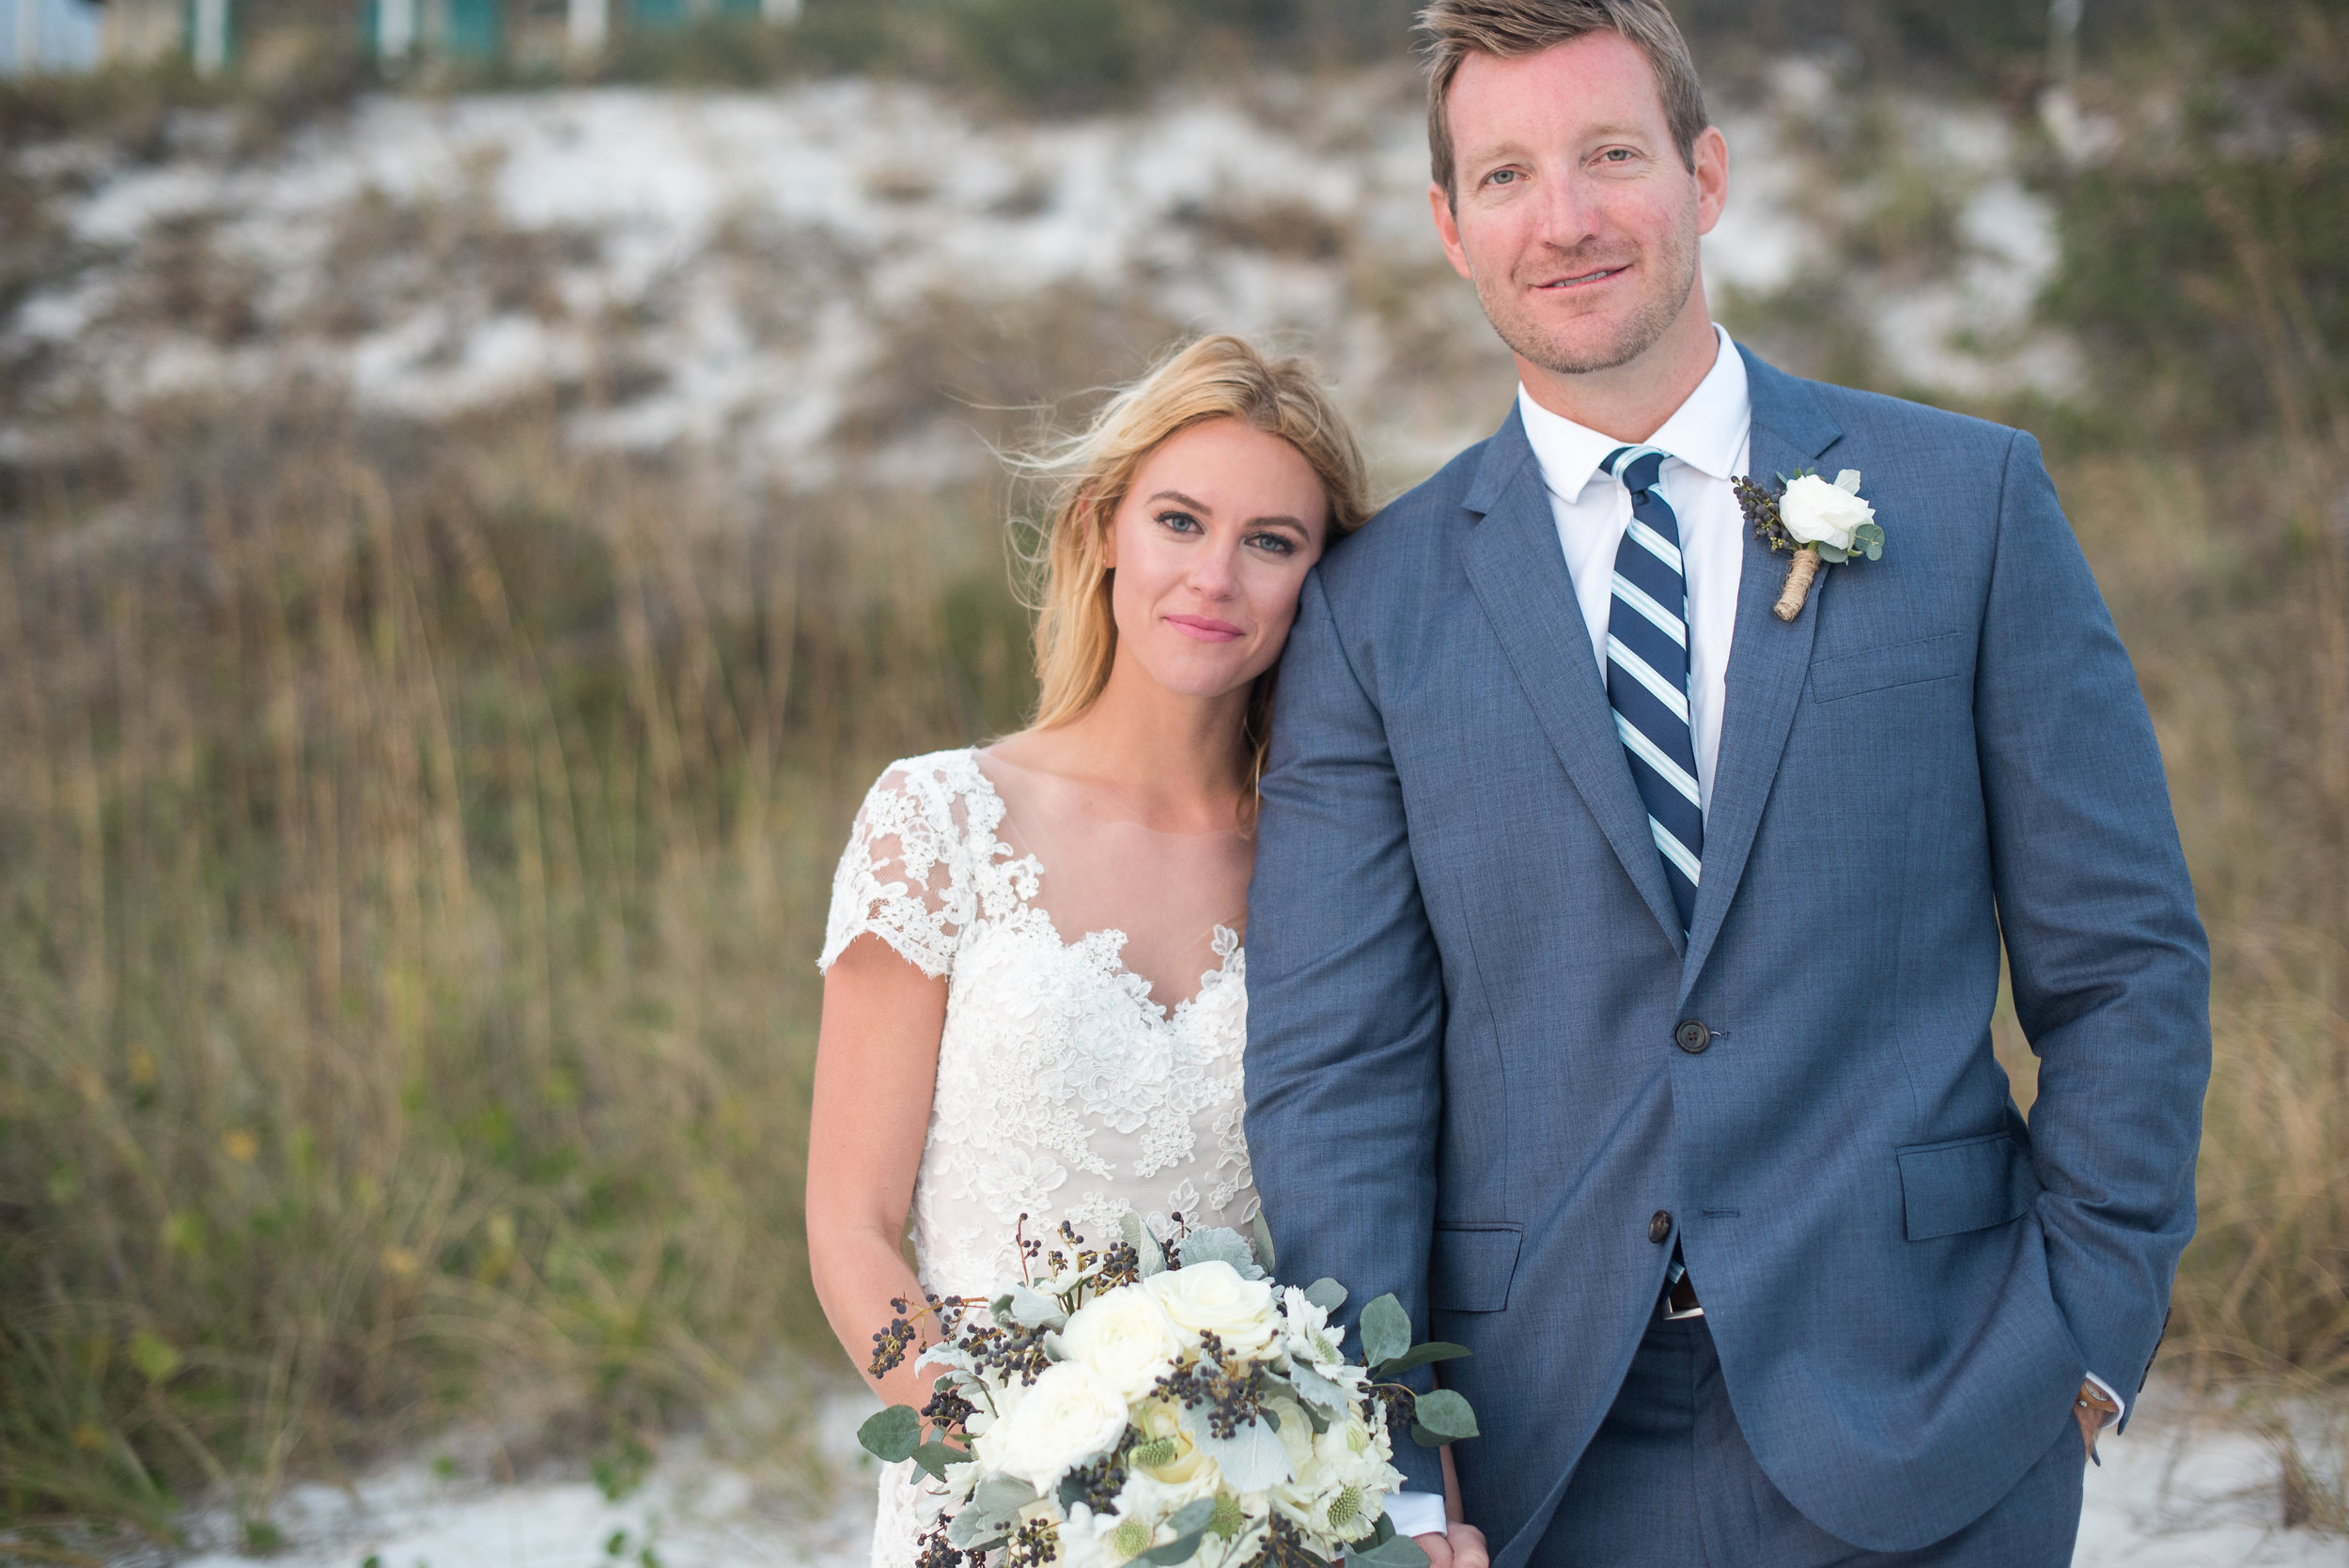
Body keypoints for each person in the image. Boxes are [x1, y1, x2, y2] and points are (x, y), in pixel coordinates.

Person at [1242, 3, 2211, 1565]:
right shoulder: (1373, 607)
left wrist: (2082, 1347)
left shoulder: (1970, 503)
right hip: (1538, 1449)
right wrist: (1386, 1456)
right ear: (1448, 226)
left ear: (1706, 175)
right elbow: (1337, 1067)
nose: (1564, 218)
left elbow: (2124, 963)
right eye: (1505, 176)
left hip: (1942, 1401)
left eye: (1610, 155)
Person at [805, 335, 1488, 1566]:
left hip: (1267, 1517)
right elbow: (849, 1225)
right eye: (1180, 520)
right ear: (1102, 526)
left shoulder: (1349, 861)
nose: (1214, 576)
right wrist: (1021, 1476)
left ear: (1319, 582)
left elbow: (1392, 1208)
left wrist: (1407, 1510)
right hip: (996, 1508)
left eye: (1272, 542)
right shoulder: (937, 819)